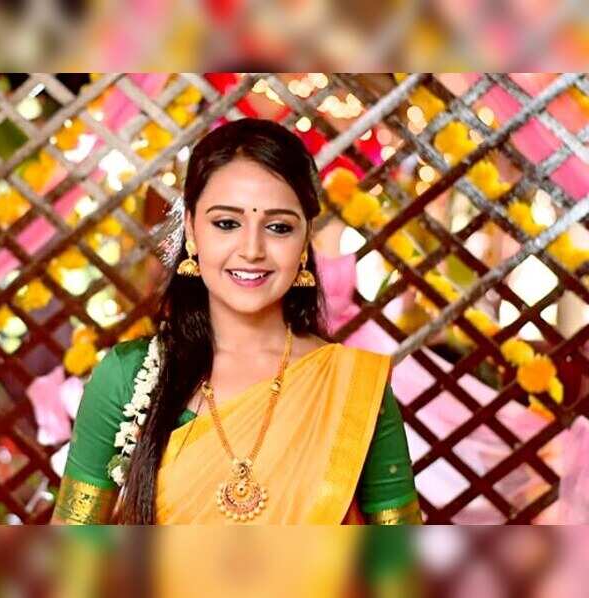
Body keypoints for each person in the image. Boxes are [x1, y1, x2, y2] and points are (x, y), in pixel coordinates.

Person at [53, 118, 421, 524]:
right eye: (226, 223)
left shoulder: (352, 388)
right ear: (192, 230)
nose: (252, 250)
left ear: (305, 240)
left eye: (278, 227)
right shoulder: (127, 376)